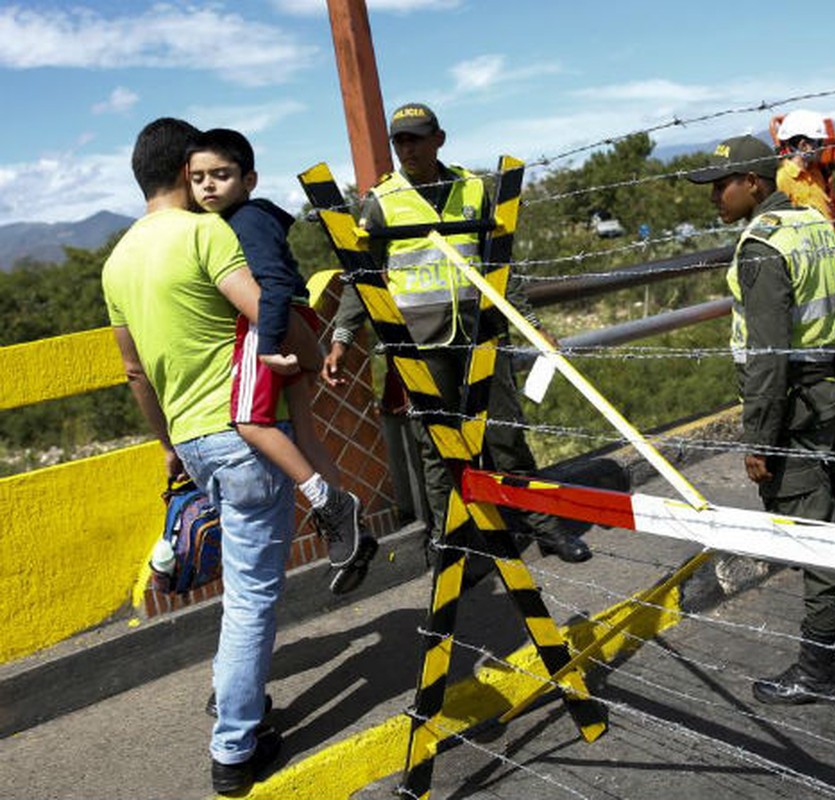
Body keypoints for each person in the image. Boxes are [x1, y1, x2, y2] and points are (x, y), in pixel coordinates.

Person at [101, 118, 285, 794]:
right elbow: (267, 311)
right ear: (186, 168)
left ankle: (232, 698)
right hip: (244, 434)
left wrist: (169, 444)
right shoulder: (207, 232)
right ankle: (235, 744)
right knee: (253, 593)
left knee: (242, 587)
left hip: (192, 441)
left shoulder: (117, 260)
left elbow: (134, 374)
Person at [322, 102, 590, 562]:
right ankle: (451, 543)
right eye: (399, 141)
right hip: (421, 345)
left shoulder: (472, 188)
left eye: (416, 138)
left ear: (438, 139)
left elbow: (500, 266)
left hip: (480, 333)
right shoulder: (382, 201)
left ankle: (545, 528)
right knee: (437, 446)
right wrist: (342, 337)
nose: (407, 148)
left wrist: (534, 327)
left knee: (505, 435)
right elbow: (360, 274)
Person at [687, 135, 835, 705]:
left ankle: (820, 668)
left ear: (755, 185)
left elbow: (768, 354)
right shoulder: (812, 222)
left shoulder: (762, 245)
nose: (715, 196)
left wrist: (758, 440)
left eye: (723, 185)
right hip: (827, 393)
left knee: (813, 534)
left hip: (790, 406)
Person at [187, 128, 377, 595]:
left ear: (248, 179)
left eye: (221, 175)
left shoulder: (245, 221)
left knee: (250, 421)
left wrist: (269, 341)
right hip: (294, 315)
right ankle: (353, 534)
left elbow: (270, 282)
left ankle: (326, 504)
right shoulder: (250, 216)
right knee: (305, 431)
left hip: (269, 321)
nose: (208, 186)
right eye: (198, 178)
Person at [774, 109, 835, 423]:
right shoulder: (783, 180)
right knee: (819, 340)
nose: (818, 148)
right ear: (801, 144)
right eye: (815, 142)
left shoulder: (816, 176)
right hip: (809, 273)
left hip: (833, 268)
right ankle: (828, 405)